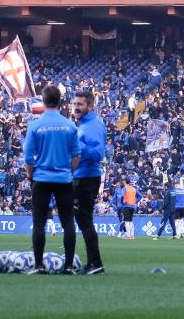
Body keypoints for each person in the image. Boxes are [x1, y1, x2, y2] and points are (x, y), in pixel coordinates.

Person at [22, 84, 80, 275]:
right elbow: (76, 155)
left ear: (44, 101)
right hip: (64, 179)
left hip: (41, 178)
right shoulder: (70, 125)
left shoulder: (35, 125)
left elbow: (28, 157)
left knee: (39, 222)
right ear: (60, 101)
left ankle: (38, 265)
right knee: (67, 222)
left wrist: (31, 175)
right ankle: (69, 266)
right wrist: (68, 172)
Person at [72, 89, 106, 273]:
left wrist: (78, 146)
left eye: (80, 104)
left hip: (87, 178)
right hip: (80, 176)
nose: (76, 107)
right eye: (75, 104)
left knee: (84, 220)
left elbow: (98, 154)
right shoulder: (84, 124)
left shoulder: (93, 125)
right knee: (81, 220)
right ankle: (93, 262)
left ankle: (95, 264)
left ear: (90, 106)